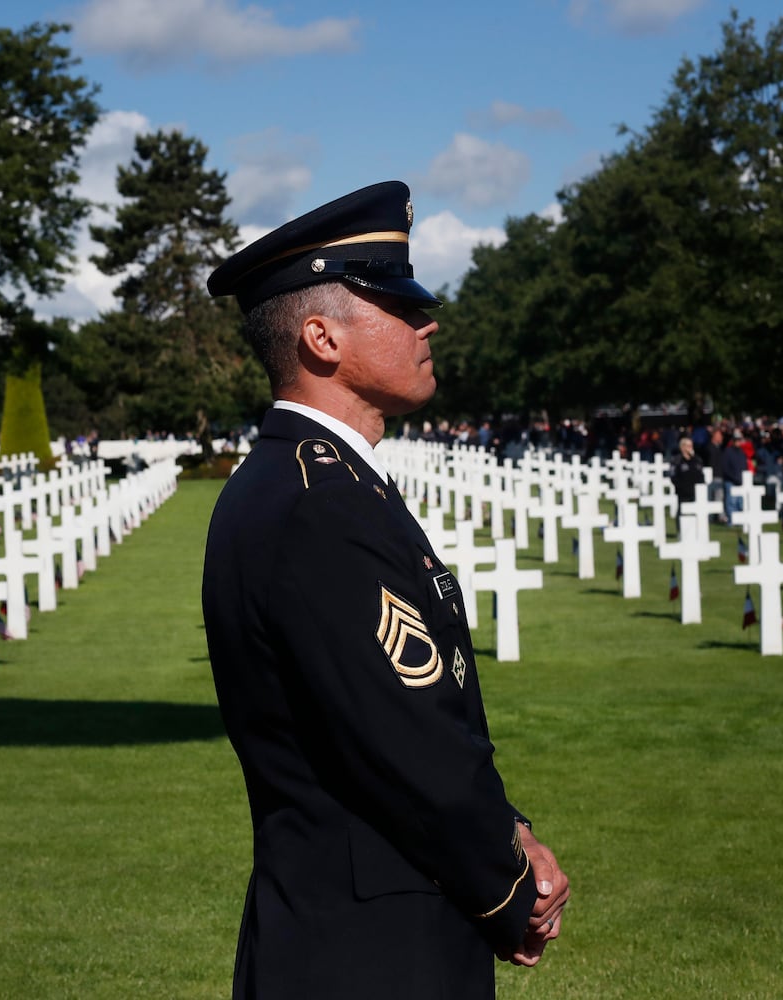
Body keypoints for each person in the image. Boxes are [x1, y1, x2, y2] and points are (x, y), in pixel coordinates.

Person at [201, 181, 569, 999]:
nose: (426, 321)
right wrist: (510, 888)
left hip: (358, 933)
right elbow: (406, 740)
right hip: (368, 952)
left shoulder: (314, 485)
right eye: (398, 306)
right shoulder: (315, 504)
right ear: (323, 338)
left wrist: (511, 828)